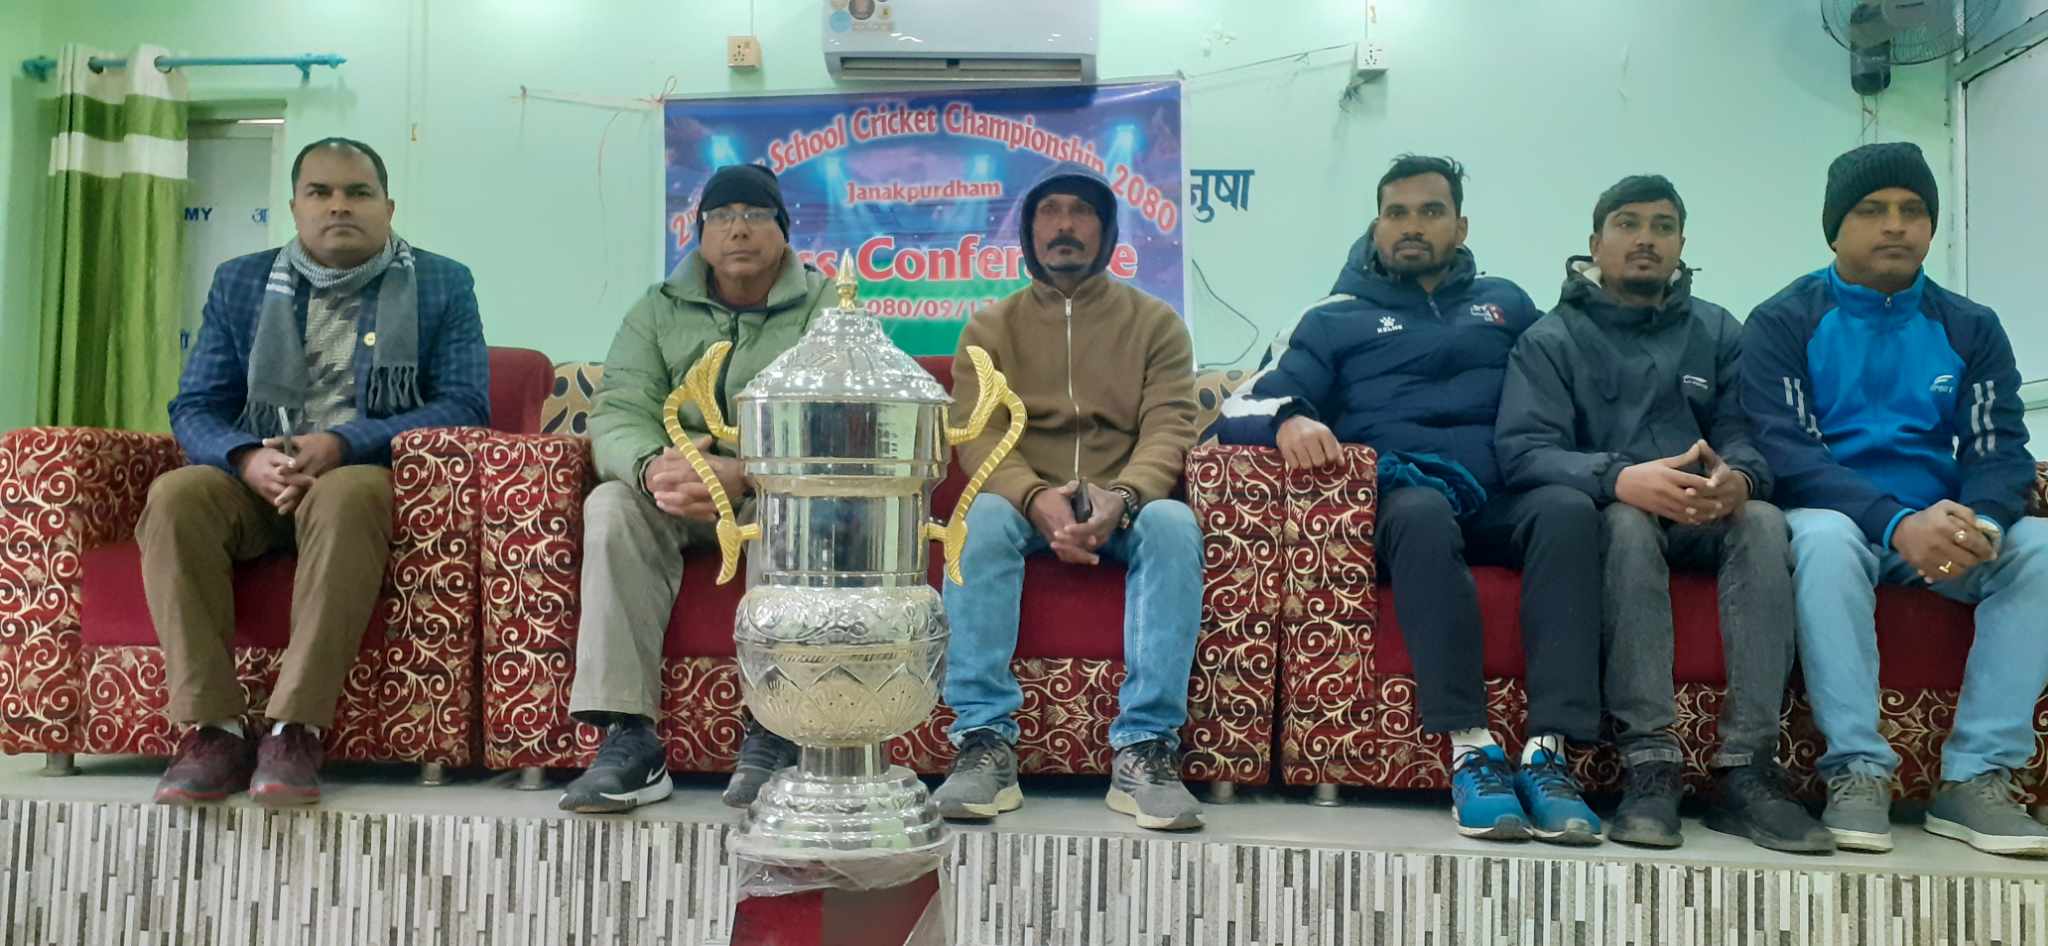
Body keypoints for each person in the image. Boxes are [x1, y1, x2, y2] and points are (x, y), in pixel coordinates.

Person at [1214, 155, 1604, 845]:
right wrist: (1290, 419)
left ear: (1461, 225)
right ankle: (1471, 751)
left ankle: (1549, 756)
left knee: (1568, 512)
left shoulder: (1508, 304)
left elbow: (1573, 377)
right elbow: (1242, 404)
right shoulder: (1334, 317)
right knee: (1423, 513)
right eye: (1397, 213)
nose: (1412, 226)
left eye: (1430, 211)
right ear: (1377, 226)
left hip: (1503, 493)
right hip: (1403, 500)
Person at [145, 137, 488, 806]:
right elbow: (195, 406)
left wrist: (343, 442)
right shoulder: (242, 282)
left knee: (346, 494)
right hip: (255, 478)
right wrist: (246, 458)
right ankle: (213, 731)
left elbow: (465, 405)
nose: (339, 206)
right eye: (321, 193)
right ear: (295, 207)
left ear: (388, 207)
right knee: (175, 496)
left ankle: (293, 729)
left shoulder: (443, 282)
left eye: (358, 193)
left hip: (363, 478)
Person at [1495, 175, 1832, 853]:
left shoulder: (1717, 330)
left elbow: (1746, 431)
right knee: (1623, 524)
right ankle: (1649, 767)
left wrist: (1740, 478)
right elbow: (1524, 451)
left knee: (1764, 520)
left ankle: (1748, 771)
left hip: (1706, 511)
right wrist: (1619, 478)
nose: (1645, 239)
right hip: (1616, 513)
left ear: (1681, 244)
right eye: (1627, 224)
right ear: (1595, 243)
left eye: (1662, 226)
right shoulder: (1550, 338)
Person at [1743, 142, 2048, 857]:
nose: (1895, 225)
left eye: (1913, 210)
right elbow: (1788, 452)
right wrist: (1894, 522)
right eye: (1872, 209)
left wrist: (1981, 522)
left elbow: (1998, 447)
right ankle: (1856, 770)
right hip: (1838, 521)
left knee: (2039, 548)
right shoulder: (1784, 320)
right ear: (1834, 229)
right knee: (1824, 540)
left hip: (1937, 531)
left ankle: (1976, 778)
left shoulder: (1969, 326)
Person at [933, 168, 1205, 832]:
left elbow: (1170, 426)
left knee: (1174, 523)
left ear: (1106, 232)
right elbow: (978, 433)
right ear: (1029, 233)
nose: (1063, 226)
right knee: (979, 518)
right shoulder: (990, 327)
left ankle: (1146, 748)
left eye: (1081, 212)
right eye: (1048, 212)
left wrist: (1123, 496)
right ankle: (983, 741)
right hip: (1025, 500)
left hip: (1124, 501)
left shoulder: (1156, 324)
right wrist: (1033, 497)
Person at [557, 164, 831, 814]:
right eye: (722, 216)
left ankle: (774, 729)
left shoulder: (827, 308)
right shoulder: (656, 309)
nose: (739, 229)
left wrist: (751, 471)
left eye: (756, 215)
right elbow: (619, 409)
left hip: (772, 489)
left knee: (793, 510)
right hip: (675, 488)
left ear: (783, 230)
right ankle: (628, 737)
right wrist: (653, 467)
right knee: (611, 504)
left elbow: (839, 414)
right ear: (700, 232)